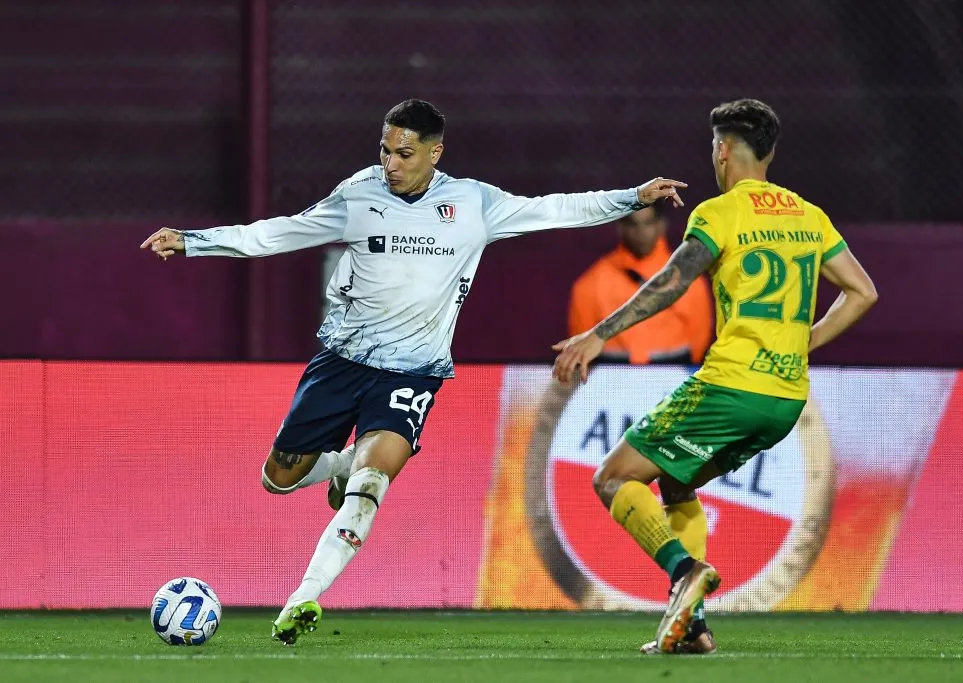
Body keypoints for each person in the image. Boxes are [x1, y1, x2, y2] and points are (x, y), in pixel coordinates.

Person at [140, 98, 688, 645]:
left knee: (370, 485)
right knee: (278, 477)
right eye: (385, 150)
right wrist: (193, 242)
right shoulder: (358, 196)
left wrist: (631, 198)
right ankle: (339, 463)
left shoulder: (473, 203)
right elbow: (278, 233)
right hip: (341, 361)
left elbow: (555, 209)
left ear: (435, 152)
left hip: (413, 372)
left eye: (404, 153)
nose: (391, 163)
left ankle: (301, 599)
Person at [552, 98, 878, 655]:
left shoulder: (719, 212)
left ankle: (684, 571)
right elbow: (863, 292)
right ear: (769, 153)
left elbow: (674, 281)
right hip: (784, 400)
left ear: (723, 150)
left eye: (712, 148)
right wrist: (805, 343)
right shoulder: (808, 215)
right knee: (677, 483)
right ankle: (693, 628)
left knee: (612, 477)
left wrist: (600, 333)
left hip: (730, 385)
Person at [567, 203, 714, 364]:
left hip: (672, 377)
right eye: (633, 224)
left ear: (661, 225)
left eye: (648, 223)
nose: (641, 233)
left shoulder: (690, 281)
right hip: (612, 380)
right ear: (621, 227)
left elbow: (699, 337)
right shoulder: (591, 283)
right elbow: (583, 343)